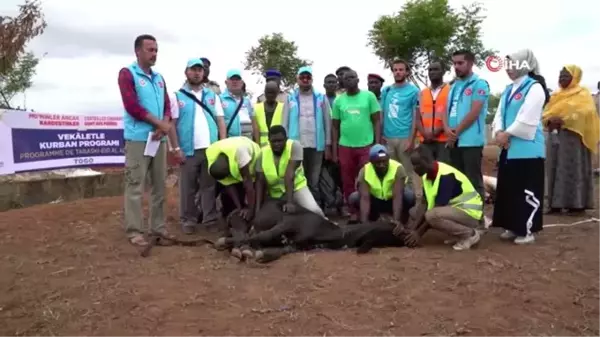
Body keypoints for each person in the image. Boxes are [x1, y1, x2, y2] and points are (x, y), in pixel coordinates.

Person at [118, 34, 174, 246]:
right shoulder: (127, 74)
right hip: (138, 139)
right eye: (150, 50)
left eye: (156, 50)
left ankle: (158, 229)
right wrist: (159, 124)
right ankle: (135, 231)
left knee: (159, 185)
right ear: (138, 51)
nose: (154, 54)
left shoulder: (159, 78)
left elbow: (167, 105)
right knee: (135, 185)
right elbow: (132, 106)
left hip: (158, 140)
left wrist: (164, 124)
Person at [492, 49, 547, 244]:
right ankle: (512, 226)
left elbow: (527, 117)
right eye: (507, 65)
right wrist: (499, 132)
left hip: (528, 150)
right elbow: (499, 114)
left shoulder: (535, 87)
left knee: (526, 190)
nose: (510, 69)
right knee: (509, 189)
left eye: (514, 65)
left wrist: (507, 133)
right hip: (509, 149)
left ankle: (527, 230)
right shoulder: (508, 89)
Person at [169, 58, 227, 234]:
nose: (197, 73)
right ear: (186, 72)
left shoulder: (212, 96)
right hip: (188, 149)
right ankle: (188, 220)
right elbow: (172, 124)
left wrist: (222, 145)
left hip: (211, 149)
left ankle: (209, 218)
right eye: (193, 70)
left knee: (209, 187)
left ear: (204, 73)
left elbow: (220, 121)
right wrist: (176, 148)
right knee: (188, 187)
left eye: (199, 70)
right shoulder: (177, 96)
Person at [543, 65, 600, 214]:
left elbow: (587, 112)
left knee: (573, 170)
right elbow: (546, 112)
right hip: (555, 135)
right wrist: (550, 120)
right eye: (560, 76)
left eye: (566, 76)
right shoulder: (556, 95)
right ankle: (554, 205)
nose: (562, 79)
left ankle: (577, 205)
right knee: (553, 168)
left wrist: (565, 120)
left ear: (575, 77)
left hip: (575, 139)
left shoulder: (583, 94)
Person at [407, 145, 483, 251]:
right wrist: (412, 229)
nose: (414, 169)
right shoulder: (426, 175)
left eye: (417, 164)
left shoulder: (446, 176)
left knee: (432, 216)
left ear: (427, 161)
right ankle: (459, 235)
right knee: (414, 212)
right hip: (455, 210)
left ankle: (470, 234)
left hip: (471, 214)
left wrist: (418, 234)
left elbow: (435, 211)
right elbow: (424, 203)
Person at [332, 69, 382, 221]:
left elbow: (377, 121)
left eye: (352, 77)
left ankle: (369, 210)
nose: (350, 80)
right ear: (343, 82)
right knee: (347, 180)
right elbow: (335, 126)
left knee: (366, 179)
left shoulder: (369, 96)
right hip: (345, 146)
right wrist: (334, 150)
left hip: (366, 145)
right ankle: (354, 211)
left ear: (358, 79)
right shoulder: (338, 101)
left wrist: (377, 144)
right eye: (346, 79)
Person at [254, 125, 325, 231]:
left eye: (280, 141)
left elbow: (289, 175)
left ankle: (328, 225)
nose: (277, 144)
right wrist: (258, 209)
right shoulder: (262, 154)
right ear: (269, 141)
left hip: (297, 188)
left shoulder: (295, 146)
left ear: (286, 139)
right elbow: (259, 182)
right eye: (273, 141)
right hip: (275, 194)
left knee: (314, 211)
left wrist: (290, 202)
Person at [281, 66, 332, 207]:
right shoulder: (290, 98)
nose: (305, 80)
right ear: (297, 79)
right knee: (298, 178)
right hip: (296, 146)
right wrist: (285, 144)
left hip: (317, 145)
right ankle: (301, 207)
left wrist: (328, 144)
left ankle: (316, 208)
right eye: (302, 77)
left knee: (314, 180)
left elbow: (328, 122)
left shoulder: (321, 98)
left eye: (308, 77)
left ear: (312, 79)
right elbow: (284, 122)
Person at [447, 50, 490, 198]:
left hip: (471, 141)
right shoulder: (454, 86)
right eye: (454, 63)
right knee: (457, 181)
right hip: (454, 142)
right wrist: (448, 131)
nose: (456, 66)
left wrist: (455, 133)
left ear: (470, 63)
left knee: (473, 181)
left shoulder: (480, 84)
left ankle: (478, 217)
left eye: (460, 63)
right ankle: (462, 214)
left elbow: (474, 112)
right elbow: (446, 111)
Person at [348, 144, 415, 226]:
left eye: (384, 161)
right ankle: (369, 218)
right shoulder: (364, 171)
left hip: (391, 200)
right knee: (354, 197)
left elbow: (397, 197)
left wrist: (396, 221)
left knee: (410, 196)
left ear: (388, 159)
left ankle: (403, 220)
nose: (382, 165)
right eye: (378, 162)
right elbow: (365, 199)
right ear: (371, 162)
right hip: (375, 201)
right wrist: (364, 224)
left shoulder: (398, 168)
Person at [380, 59, 421, 194]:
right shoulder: (386, 90)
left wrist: (411, 139)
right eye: (395, 70)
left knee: (408, 173)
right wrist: (380, 135)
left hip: (405, 138)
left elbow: (416, 116)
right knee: (391, 173)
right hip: (388, 138)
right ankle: (393, 203)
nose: (398, 72)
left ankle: (410, 204)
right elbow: (382, 113)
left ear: (407, 72)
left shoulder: (413, 91)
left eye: (401, 70)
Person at [415, 61, 450, 163]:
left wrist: (434, 133)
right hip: (425, 141)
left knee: (443, 172)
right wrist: (425, 135)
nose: (432, 72)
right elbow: (417, 118)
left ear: (442, 72)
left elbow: (451, 116)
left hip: (443, 141)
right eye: (430, 70)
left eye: (436, 69)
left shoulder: (450, 91)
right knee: (426, 172)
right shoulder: (422, 93)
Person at [219, 69, 255, 138]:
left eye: (237, 79)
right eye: (232, 79)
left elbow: (253, 121)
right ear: (226, 82)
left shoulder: (247, 101)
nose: (235, 82)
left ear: (241, 83)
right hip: (230, 140)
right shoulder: (220, 99)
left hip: (248, 139)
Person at [254, 81, 284, 147]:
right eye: (268, 92)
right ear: (264, 92)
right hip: (261, 148)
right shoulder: (256, 108)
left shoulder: (283, 108)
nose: (270, 95)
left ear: (277, 93)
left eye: (273, 93)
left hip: (278, 147)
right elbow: (255, 129)